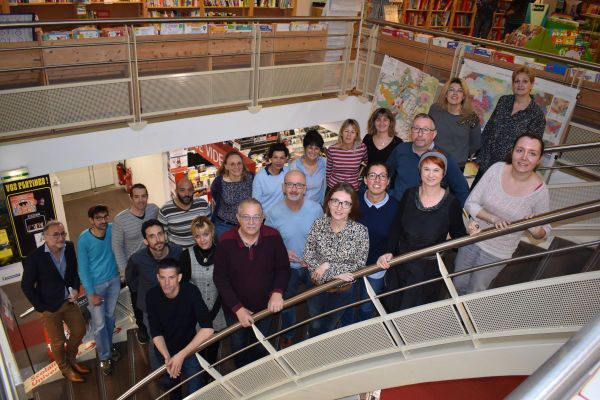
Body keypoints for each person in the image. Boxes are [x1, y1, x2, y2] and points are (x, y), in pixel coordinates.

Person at [453, 133, 550, 294]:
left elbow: (545, 231)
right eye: (520, 150)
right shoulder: (496, 169)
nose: (524, 157)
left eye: (532, 153)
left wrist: (535, 230)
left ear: (539, 159)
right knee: (456, 283)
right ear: (512, 151)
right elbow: (470, 203)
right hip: (473, 238)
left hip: (497, 253)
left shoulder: (540, 191)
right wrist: (492, 218)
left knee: (475, 291)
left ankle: (464, 319)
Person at [378, 152, 468, 311]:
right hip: (401, 262)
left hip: (427, 269)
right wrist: (388, 251)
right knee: (392, 305)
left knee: (413, 311)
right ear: (419, 171)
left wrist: (470, 233)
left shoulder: (451, 203)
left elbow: (458, 237)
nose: (431, 175)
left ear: (443, 173)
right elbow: (396, 227)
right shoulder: (409, 194)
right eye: (426, 169)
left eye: (436, 170)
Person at [213, 198, 290, 368]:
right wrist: (237, 309)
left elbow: (283, 268)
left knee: (262, 344)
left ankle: (259, 377)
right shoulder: (225, 241)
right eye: (246, 217)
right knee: (238, 346)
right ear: (237, 218)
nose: (251, 222)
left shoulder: (273, 236)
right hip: (235, 310)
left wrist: (278, 292)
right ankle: (243, 378)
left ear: (262, 218)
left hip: (265, 306)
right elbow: (220, 278)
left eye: (256, 217)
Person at [21, 221, 90, 383]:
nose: (61, 238)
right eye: (56, 234)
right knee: (58, 342)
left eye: (62, 233)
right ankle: (65, 368)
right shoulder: (35, 258)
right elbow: (26, 285)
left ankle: (71, 359)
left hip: (69, 301)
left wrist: (74, 288)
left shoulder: (69, 247)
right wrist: (41, 307)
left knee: (80, 331)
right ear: (45, 237)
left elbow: (73, 272)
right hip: (48, 307)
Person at [265, 170, 323, 348]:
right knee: (287, 304)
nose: (294, 189)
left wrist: (313, 256)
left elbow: (323, 236)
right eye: (290, 184)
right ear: (283, 187)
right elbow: (268, 243)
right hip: (286, 267)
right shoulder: (273, 212)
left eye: (299, 185)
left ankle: (315, 334)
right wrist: (283, 252)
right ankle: (288, 335)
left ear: (305, 188)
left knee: (316, 303)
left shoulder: (316, 209)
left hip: (312, 265)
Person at [304, 182, 369, 337]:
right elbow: (308, 253)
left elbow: (359, 265)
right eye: (336, 201)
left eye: (346, 203)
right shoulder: (318, 224)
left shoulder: (360, 231)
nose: (339, 207)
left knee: (330, 325)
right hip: (316, 285)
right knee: (315, 323)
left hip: (343, 290)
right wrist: (334, 273)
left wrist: (328, 266)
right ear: (328, 202)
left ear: (352, 207)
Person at [146, 259, 214, 400]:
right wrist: (167, 357)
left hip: (189, 348)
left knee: (196, 388)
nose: (166, 283)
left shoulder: (191, 291)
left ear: (179, 277)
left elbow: (208, 328)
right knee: (170, 385)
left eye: (171, 277)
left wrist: (181, 355)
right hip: (164, 351)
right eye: (163, 278)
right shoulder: (152, 296)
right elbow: (156, 332)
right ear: (157, 277)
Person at [473, 66, 546, 187]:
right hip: (487, 163)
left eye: (525, 81)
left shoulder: (536, 115)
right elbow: (489, 127)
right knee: (473, 199)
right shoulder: (504, 101)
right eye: (517, 81)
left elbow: (533, 149)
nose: (520, 85)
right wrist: (478, 152)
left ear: (531, 85)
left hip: (509, 170)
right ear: (512, 84)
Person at [126, 219, 183, 372]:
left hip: (175, 304)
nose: (157, 239)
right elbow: (131, 280)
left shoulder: (178, 252)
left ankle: (178, 365)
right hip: (150, 309)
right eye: (152, 236)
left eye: (160, 234)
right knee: (156, 342)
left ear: (165, 235)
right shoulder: (137, 259)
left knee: (178, 335)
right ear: (145, 241)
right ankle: (159, 373)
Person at [387, 113, 470, 206]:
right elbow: (386, 174)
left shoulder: (444, 157)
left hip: (428, 212)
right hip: (397, 206)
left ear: (434, 134)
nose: (420, 134)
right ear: (411, 131)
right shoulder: (401, 149)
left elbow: (462, 190)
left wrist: (456, 214)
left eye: (425, 130)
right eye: (416, 128)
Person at [112, 183, 159, 344]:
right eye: (137, 197)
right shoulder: (120, 220)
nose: (141, 200)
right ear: (130, 198)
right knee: (139, 300)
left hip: (154, 262)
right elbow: (117, 246)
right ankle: (143, 328)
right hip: (135, 268)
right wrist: (124, 270)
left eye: (144, 196)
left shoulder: (154, 210)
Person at [77, 205, 121, 376]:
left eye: (105, 217)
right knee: (99, 324)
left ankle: (109, 347)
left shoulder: (112, 230)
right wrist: (91, 292)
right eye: (98, 218)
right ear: (91, 220)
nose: (103, 221)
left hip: (114, 281)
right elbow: (83, 268)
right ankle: (104, 357)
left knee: (110, 318)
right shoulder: (84, 239)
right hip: (96, 287)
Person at [355, 163, 399, 321]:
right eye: (372, 175)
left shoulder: (396, 207)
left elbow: (397, 240)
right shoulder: (353, 202)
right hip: (350, 265)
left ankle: (364, 330)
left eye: (382, 176)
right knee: (348, 302)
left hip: (376, 267)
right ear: (365, 180)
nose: (377, 180)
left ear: (388, 181)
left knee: (366, 306)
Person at [179, 216, 225, 364]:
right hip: (194, 311)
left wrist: (212, 313)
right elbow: (184, 287)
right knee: (196, 348)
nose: (202, 239)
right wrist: (199, 312)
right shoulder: (186, 255)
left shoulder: (223, 253)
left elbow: (225, 286)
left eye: (205, 234)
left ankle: (210, 375)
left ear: (212, 232)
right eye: (197, 236)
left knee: (212, 347)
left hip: (218, 310)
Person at [428, 78, 481, 169]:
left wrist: (460, 155)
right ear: (445, 94)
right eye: (451, 90)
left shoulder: (471, 117)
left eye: (460, 91)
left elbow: (475, 144)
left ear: (464, 96)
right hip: (433, 160)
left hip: (456, 166)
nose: (455, 93)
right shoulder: (435, 109)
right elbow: (427, 132)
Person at [210, 151, 254, 240]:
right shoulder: (219, 182)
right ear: (226, 166)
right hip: (224, 226)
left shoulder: (251, 178)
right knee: (225, 252)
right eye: (232, 164)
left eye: (239, 163)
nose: (236, 167)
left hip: (246, 225)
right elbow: (215, 195)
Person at [159, 178, 211, 248]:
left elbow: (209, 228)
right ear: (176, 191)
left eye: (189, 190)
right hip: (178, 253)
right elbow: (162, 235)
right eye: (182, 190)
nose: (186, 194)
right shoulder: (165, 210)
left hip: (201, 249)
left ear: (193, 190)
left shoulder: (203, 205)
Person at [326, 119, 368, 191]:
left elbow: (367, 163)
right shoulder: (332, 149)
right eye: (346, 131)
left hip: (352, 189)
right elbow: (328, 172)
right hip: (334, 188)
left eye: (352, 132)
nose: (349, 135)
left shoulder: (362, 148)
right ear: (341, 133)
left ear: (356, 135)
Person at [289, 129, 327, 204]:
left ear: (320, 150)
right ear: (304, 148)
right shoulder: (295, 166)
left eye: (316, 148)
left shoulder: (324, 163)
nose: (313, 151)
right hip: (300, 208)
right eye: (310, 147)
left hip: (318, 208)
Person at [252, 142, 290, 213]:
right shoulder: (260, 177)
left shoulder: (288, 172)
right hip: (266, 218)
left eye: (282, 158)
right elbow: (255, 202)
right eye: (275, 157)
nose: (279, 161)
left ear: (286, 159)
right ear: (270, 158)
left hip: (283, 216)